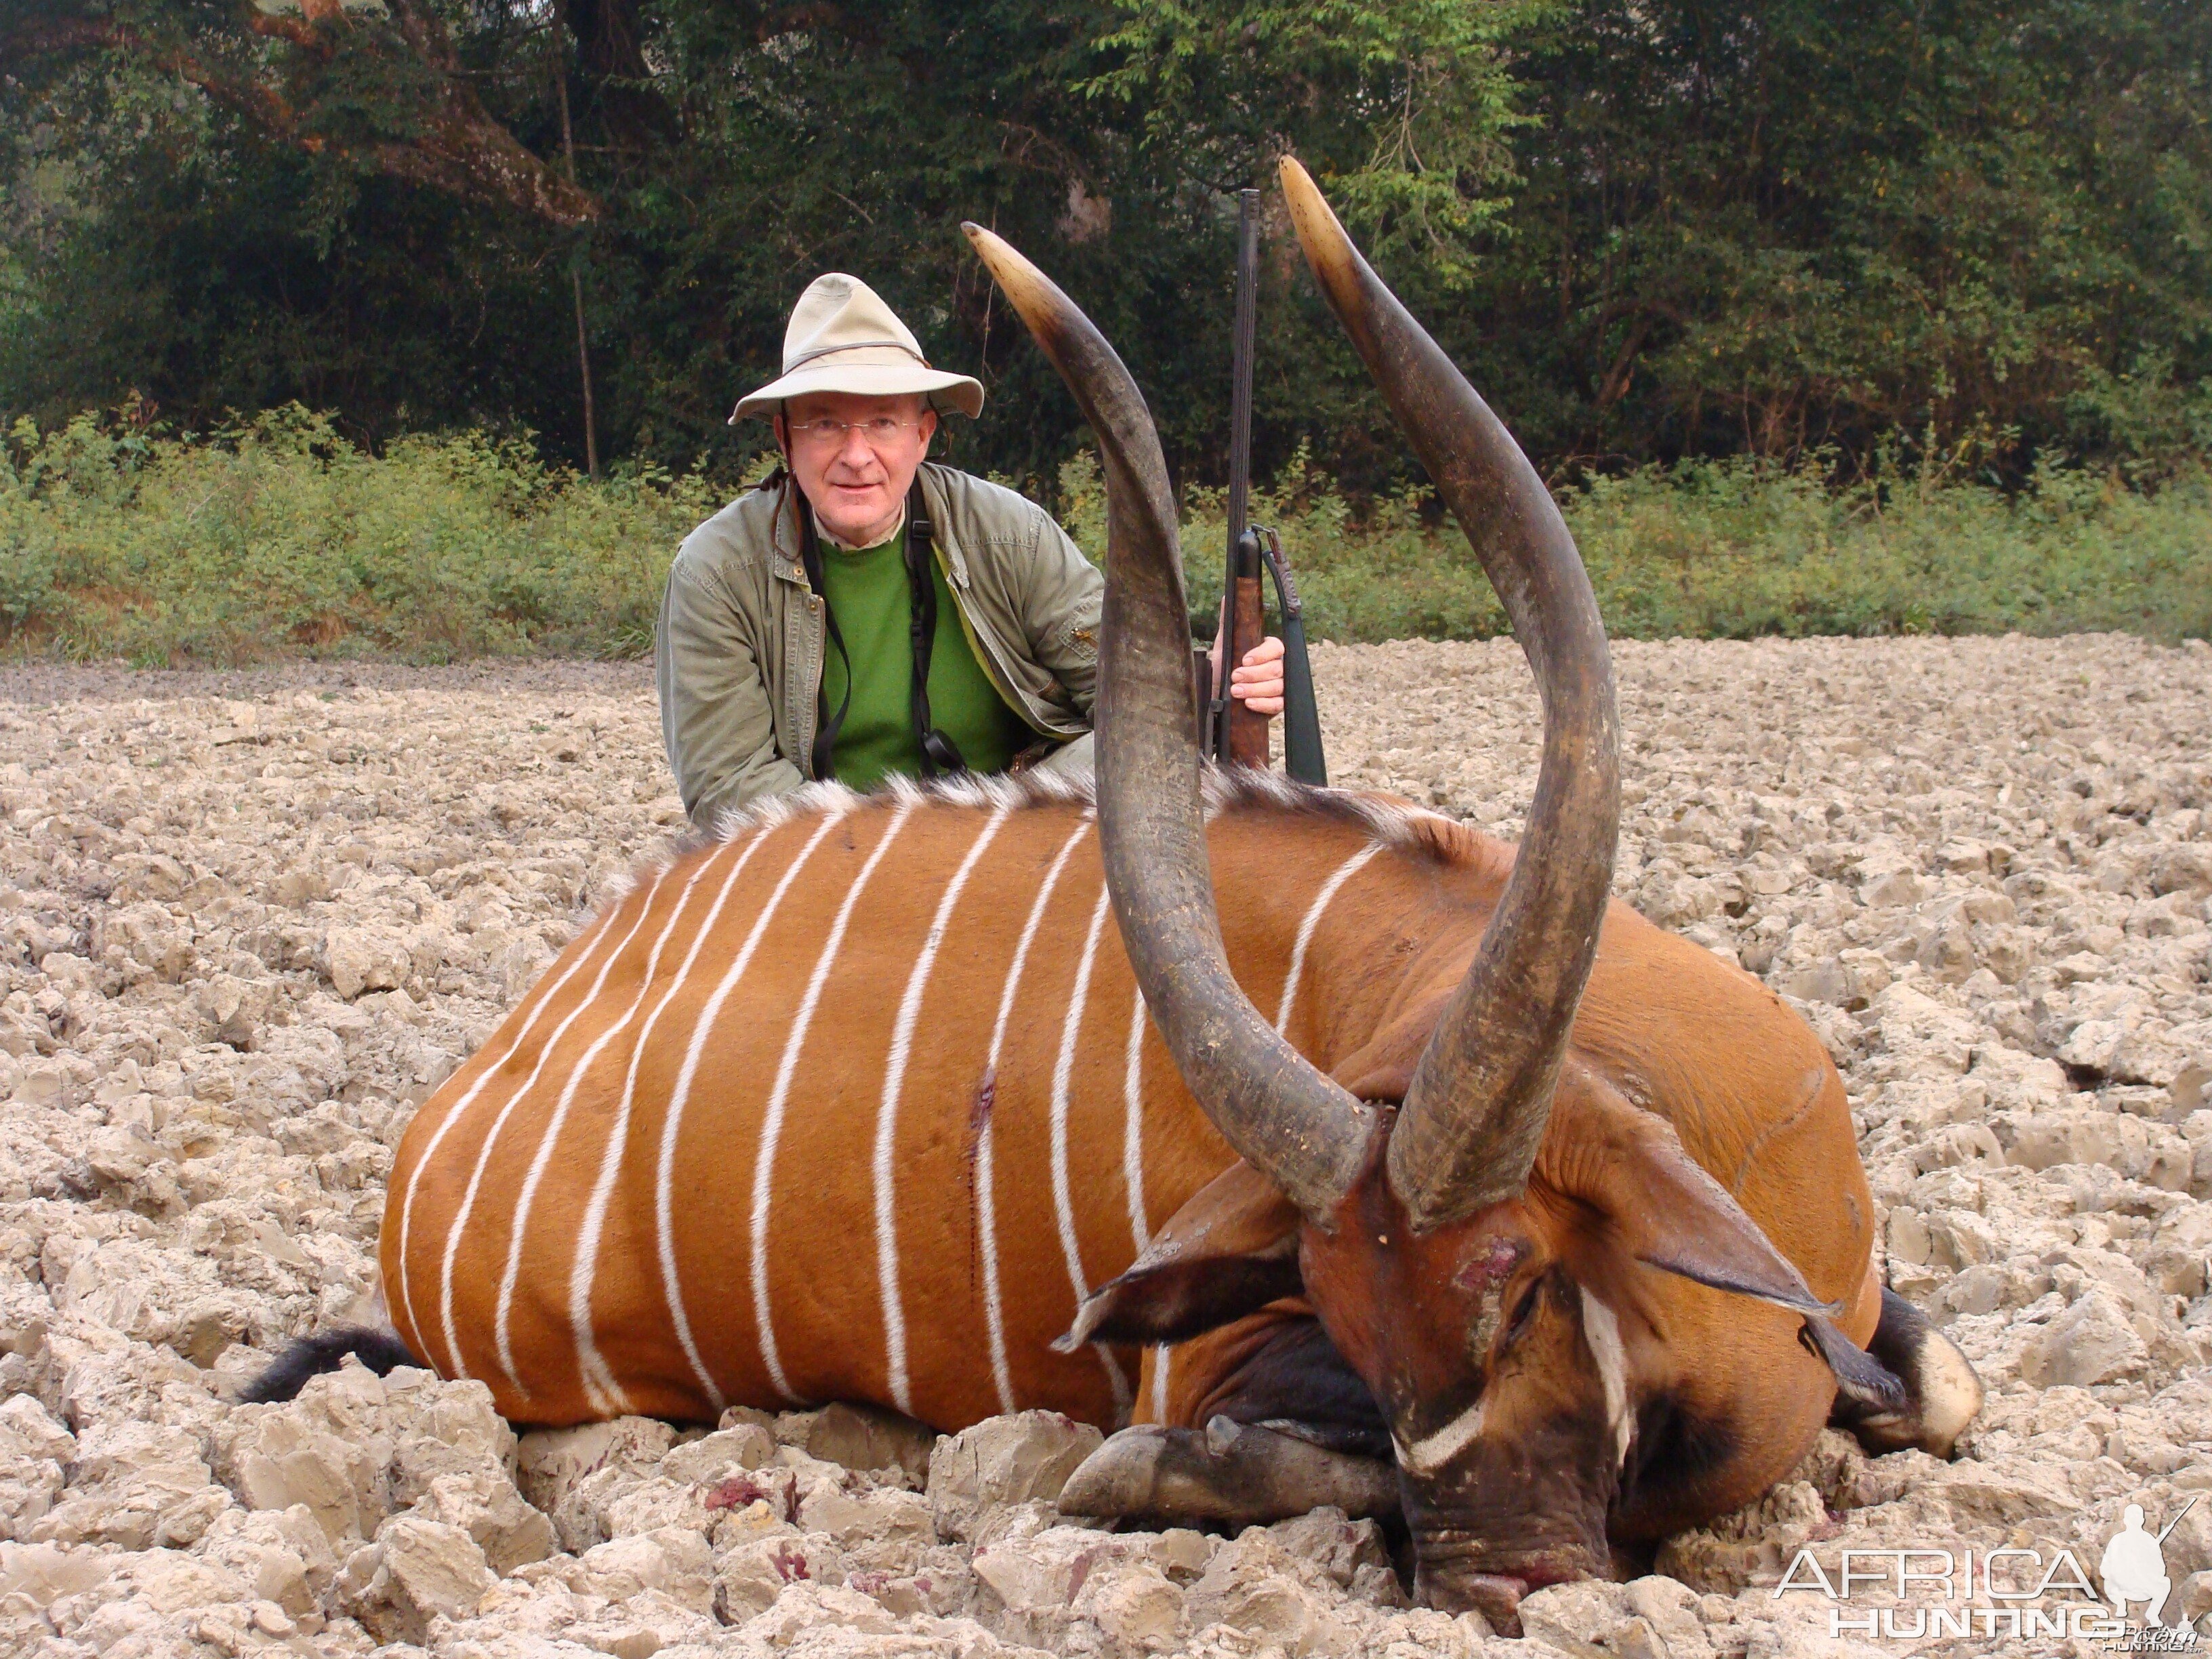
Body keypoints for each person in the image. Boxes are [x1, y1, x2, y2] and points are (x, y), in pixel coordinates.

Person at [656, 272, 1284, 831]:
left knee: (1147, 740)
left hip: (1009, 846)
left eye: (883, 422)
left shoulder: (1012, 534)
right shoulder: (715, 572)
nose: (855, 455)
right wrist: (905, 863)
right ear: (784, 437)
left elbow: (1128, 696)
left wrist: (1210, 682)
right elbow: (729, 790)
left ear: (924, 433)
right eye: (824, 423)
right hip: (827, 875)